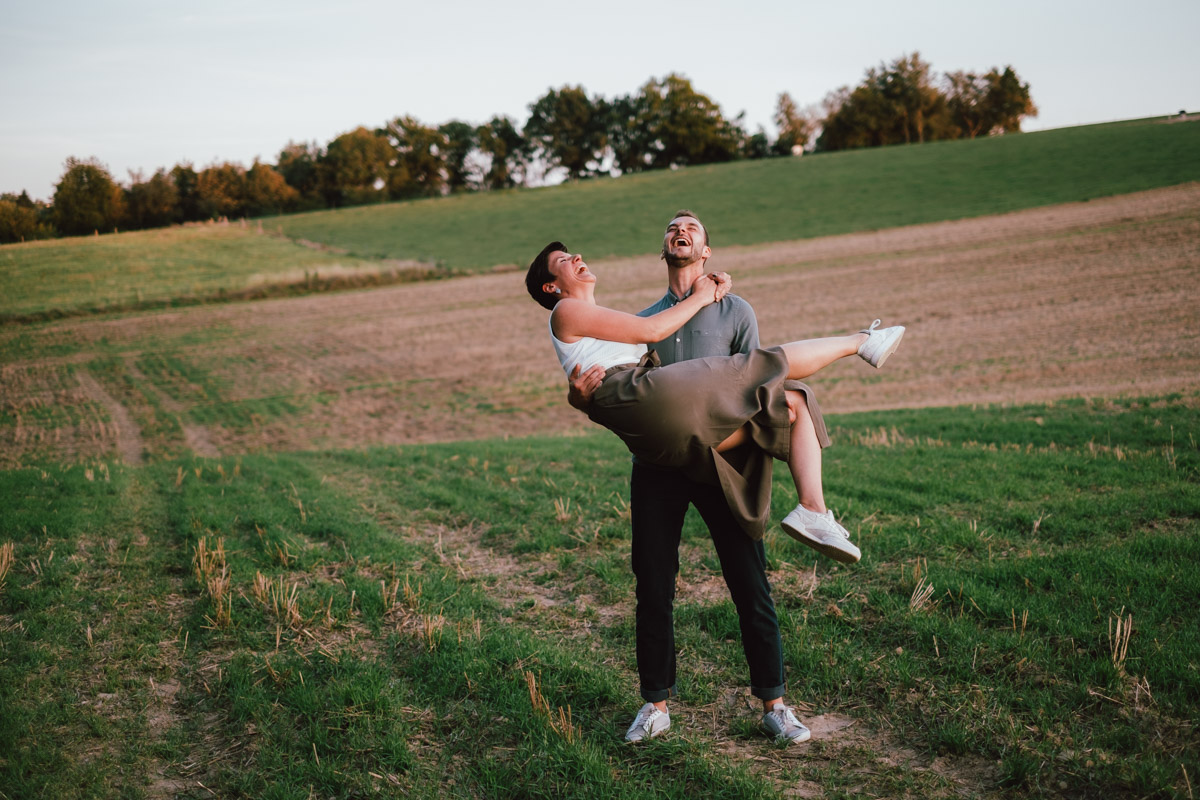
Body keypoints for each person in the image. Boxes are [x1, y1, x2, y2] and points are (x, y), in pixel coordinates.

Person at [525, 211, 904, 744]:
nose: (680, 232)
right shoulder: (643, 318)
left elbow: (752, 379)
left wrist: (710, 297)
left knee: (751, 583)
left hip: (721, 461)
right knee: (653, 585)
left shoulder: (735, 309)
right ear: (664, 250)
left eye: (693, 228)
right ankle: (654, 705)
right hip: (661, 467)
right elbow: (612, 380)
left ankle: (775, 704)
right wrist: (576, 395)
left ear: (706, 251)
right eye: (672, 228)